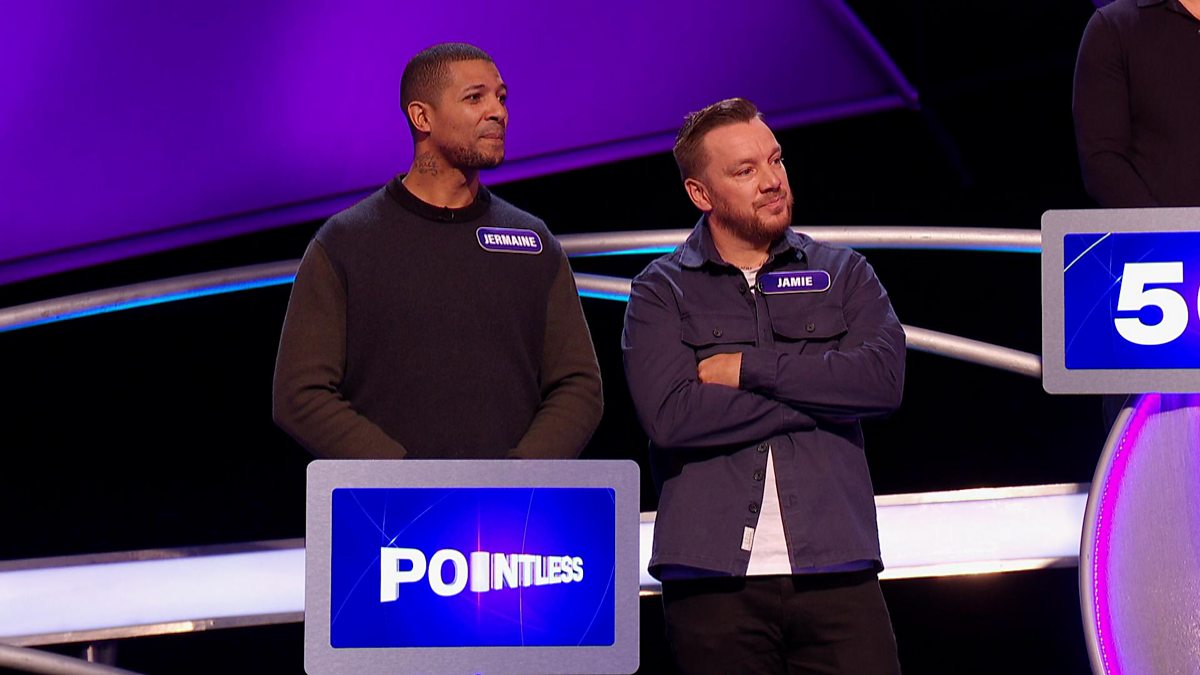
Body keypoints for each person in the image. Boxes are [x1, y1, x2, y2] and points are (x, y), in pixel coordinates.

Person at [622, 98, 905, 674]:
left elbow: (880, 381)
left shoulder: (844, 272)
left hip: (837, 569)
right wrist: (821, 398)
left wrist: (750, 370)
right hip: (710, 582)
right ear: (701, 194)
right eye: (745, 171)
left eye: (775, 160)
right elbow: (672, 416)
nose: (772, 181)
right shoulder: (660, 290)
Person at [273, 43, 602, 461]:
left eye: (501, 97)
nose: (498, 112)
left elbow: (579, 385)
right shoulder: (346, 243)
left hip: (510, 500)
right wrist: (407, 478)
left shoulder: (532, 242)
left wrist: (517, 478)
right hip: (391, 500)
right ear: (422, 117)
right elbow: (300, 393)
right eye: (475, 98)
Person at [1072, 0, 1200, 426]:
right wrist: (1179, 245)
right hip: (1156, 298)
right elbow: (1102, 162)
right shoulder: (1116, 27)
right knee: (1159, 450)